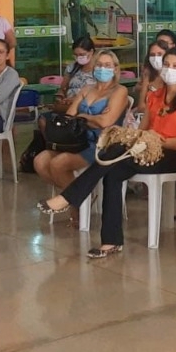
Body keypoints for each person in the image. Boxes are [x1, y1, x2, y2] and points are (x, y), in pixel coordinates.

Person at [40, 48, 176, 258]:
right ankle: (111, 241)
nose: (169, 70)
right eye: (166, 65)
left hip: (172, 155)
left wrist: (158, 140)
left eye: (175, 66)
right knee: (112, 171)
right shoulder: (155, 97)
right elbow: (143, 130)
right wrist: (140, 138)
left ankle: (70, 196)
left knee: (114, 153)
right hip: (145, 150)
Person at [34, 50, 129, 223]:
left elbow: (105, 122)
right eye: (99, 65)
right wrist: (92, 119)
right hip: (77, 140)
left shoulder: (119, 91)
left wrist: (84, 117)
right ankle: (81, 196)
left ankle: (75, 207)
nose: (102, 68)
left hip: (102, 144)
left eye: (107, 65)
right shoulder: (86, 89)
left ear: (115, 69)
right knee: (40, 161)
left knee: (58, 163)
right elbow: (70, 117)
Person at [58, 37, 98, 107]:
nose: (78, 57)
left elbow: (101, 93)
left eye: (82, 54)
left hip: (88, 107)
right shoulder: (72, 68)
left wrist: (76, 99)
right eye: (75, 55)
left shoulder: (100, 70)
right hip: (68, 106)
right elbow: (62, 89)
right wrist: (60, 97)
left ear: (91, 52)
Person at [133, 41, 167, 116]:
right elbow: (141, 107)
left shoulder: (172, 78)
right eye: (152, 55)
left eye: (159, 54)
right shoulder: (147, 75)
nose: (155, 58)